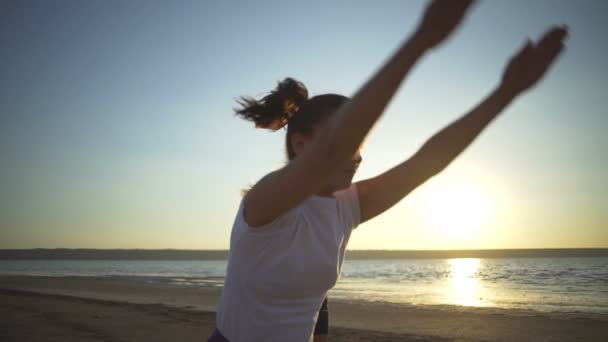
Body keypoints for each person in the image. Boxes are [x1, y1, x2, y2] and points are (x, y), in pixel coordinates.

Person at [208, 0, 568, 341]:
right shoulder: (265, 203)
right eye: (350, 136)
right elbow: (332, 151)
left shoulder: (346, 207)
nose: (357, 153)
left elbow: (428, 162)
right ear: (301, 144)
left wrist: (506, 92)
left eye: (361, 143)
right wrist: (422, 39)